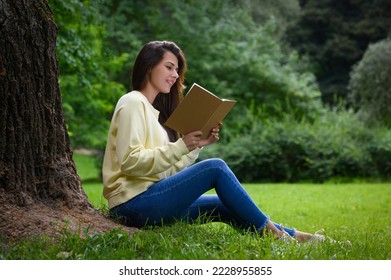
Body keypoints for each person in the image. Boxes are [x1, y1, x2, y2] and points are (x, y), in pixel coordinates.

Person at [102, 40, 324, 243]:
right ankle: (277, 238)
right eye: (169, 67)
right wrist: (180, 145)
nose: (175, 74)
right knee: (215, 167)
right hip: (131, 205)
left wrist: (195, 145)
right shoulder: (132, 102)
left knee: (220, 205)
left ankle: (299, 237)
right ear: (149, 66)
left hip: (150, 200)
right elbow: (131, 162)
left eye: (177, 69)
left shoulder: (155, 113)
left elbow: (164, 172)